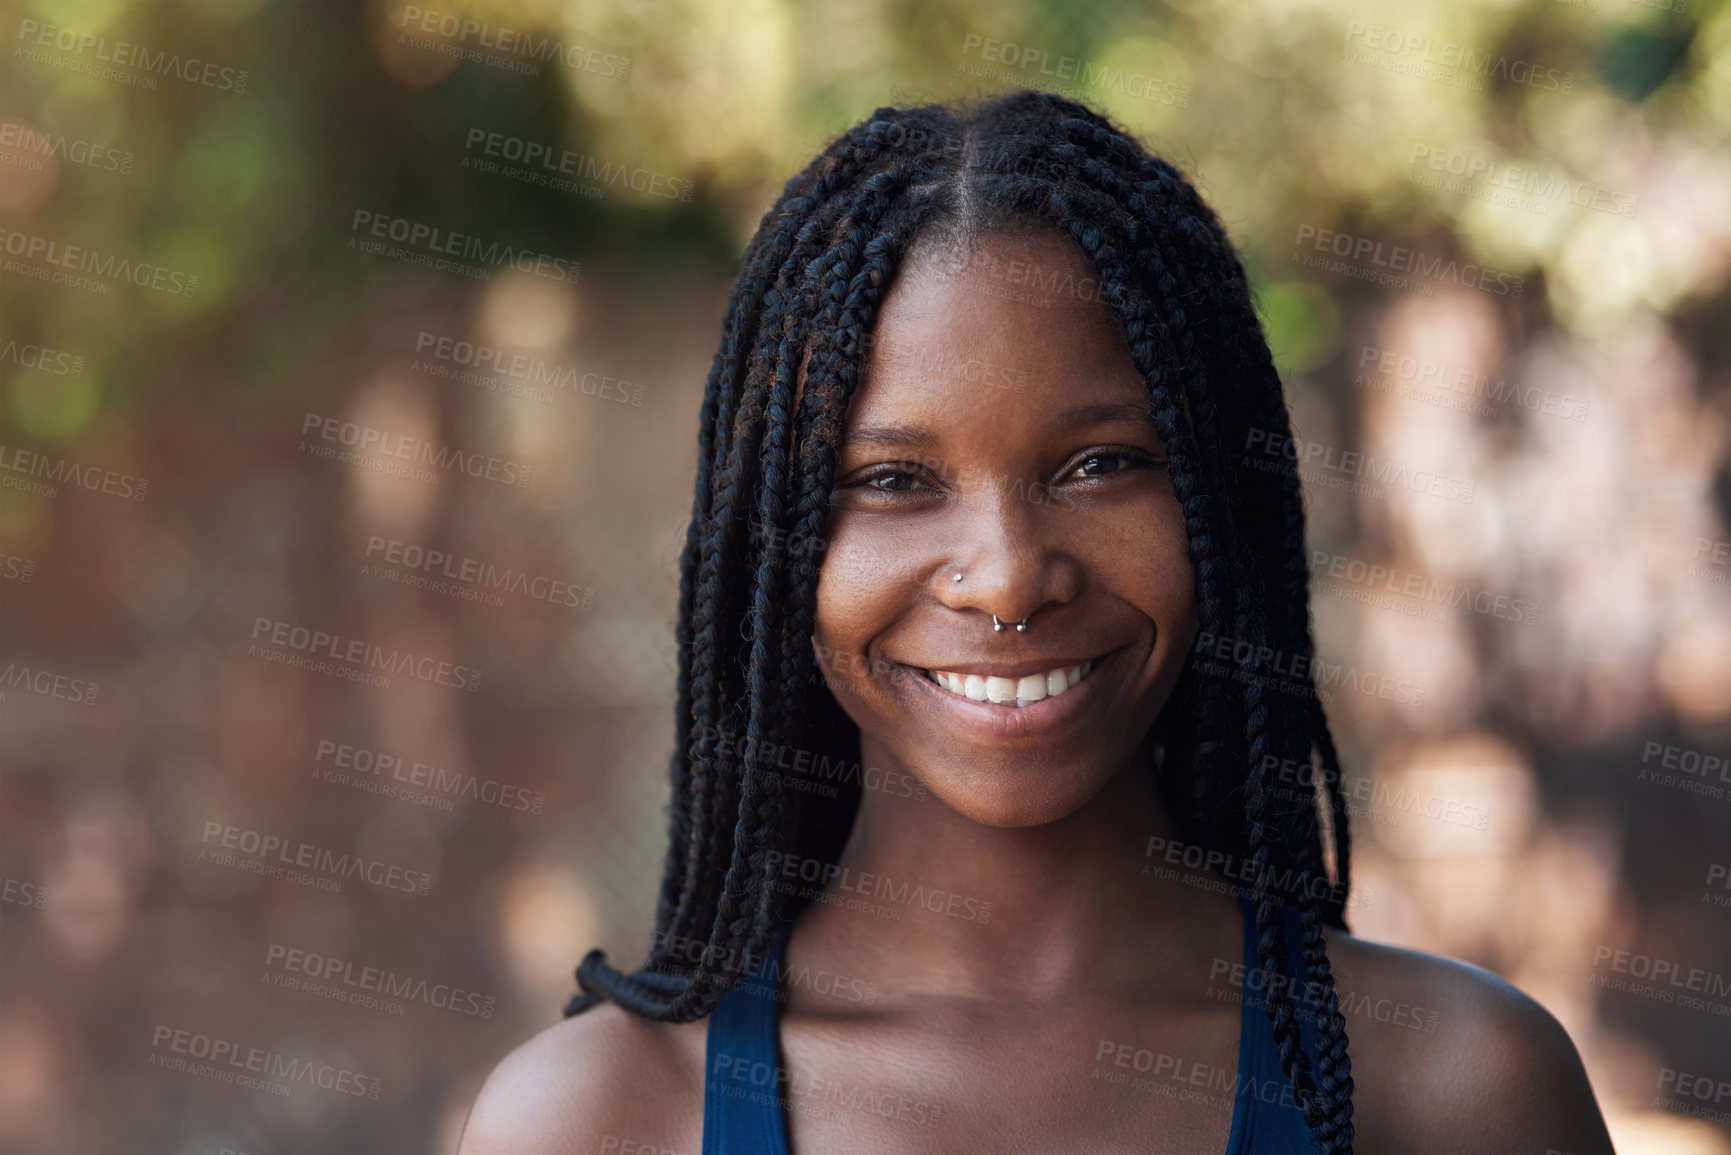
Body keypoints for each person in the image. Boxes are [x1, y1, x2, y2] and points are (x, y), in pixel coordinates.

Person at [458, 90, 1616, 1155]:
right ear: (777, 541)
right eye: (894, 481)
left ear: (1216, 498)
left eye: (1101, 464)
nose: (1009, 580)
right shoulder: (602, 1118)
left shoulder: (1454, 1087)